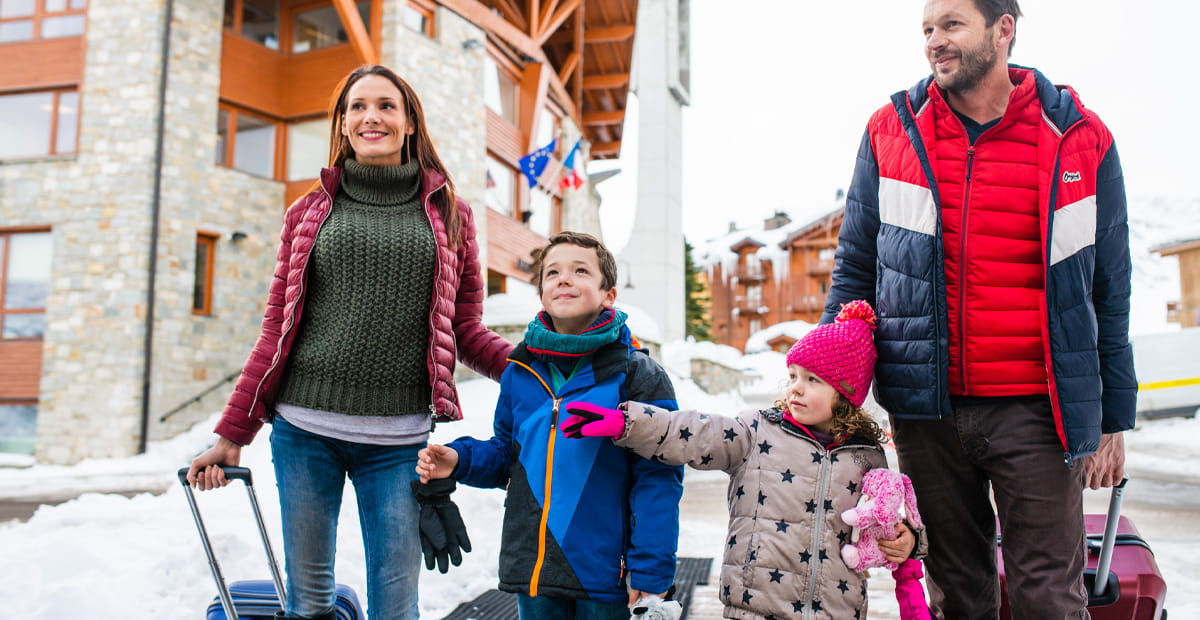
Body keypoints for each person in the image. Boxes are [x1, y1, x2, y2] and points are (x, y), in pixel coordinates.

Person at [822, 1, 1137, 617]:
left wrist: (1111, 417)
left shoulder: (1079, 136)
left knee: (1049, 598)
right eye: (927, 29)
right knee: (957, 598)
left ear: (1004, 29)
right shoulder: (891, 129)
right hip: (925, 409)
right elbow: (856, 265)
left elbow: (1111, 288)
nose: (935, 41)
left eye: (952, 25)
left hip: (1038, 413)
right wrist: (831, 384)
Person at [186, 64, 513, 620]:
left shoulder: (450, 215)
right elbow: (276, 329)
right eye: (357, 107)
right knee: (309, 604)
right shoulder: (308, 212)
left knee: (395, 607)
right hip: (304, 433)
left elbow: (466, 330)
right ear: (342, 124)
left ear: (409, 122)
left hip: (399, 445)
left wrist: (543, 367)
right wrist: (231, 433)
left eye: (386, 106)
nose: (371, 117)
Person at [560, 300, 928, 620]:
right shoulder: (757, 432)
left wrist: (908, 541)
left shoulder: (867, 456)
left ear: (845, 394)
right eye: (794, 375)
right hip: (755, 606)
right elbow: (693, 432)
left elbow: (885, 524)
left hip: (837, 610)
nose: (796, 387)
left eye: (813, 379)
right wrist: (626, 422)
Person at [416, 231, 683, 620]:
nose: (564, 278)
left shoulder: (638, 374)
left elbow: (658, 478)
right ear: (541, 293)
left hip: (606, 576)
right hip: (534, 572)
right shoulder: (520, 371)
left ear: (609, 294)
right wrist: (459, 459)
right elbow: (509, 454)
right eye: (553, 272)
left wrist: (651, 568)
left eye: (580, 270)